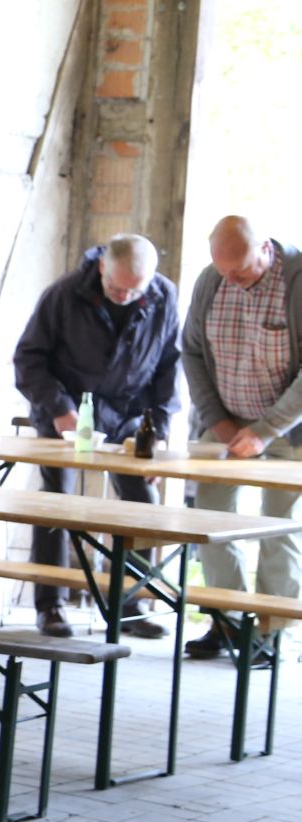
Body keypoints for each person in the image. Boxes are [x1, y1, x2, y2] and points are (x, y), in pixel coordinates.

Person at [14, 234, 181, 639]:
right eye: (116, 288)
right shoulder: (64, 294)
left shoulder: (164, 297)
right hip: (67, 410)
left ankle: (131, 600)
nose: (123, 297)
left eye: (133, 290)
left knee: (143, 501)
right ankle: (50, 604)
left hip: (130, 414)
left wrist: (157, 431)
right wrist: (59, 409)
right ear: (103, 267)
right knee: (56, 502)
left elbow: (168, 367)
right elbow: (28, 358)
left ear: (151, 281)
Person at [180, 216, 302, 661]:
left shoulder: (296, 282)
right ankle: (230, 622)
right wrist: (220, 422)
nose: (231, 280)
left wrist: (265, 431)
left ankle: (271, 633)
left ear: (266, 250)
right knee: (211, 524)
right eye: (224, 272)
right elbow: (191, 351)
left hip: (289, 430)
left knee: (279, 527)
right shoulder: (212, 281)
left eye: (242, 272)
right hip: (224, 425)